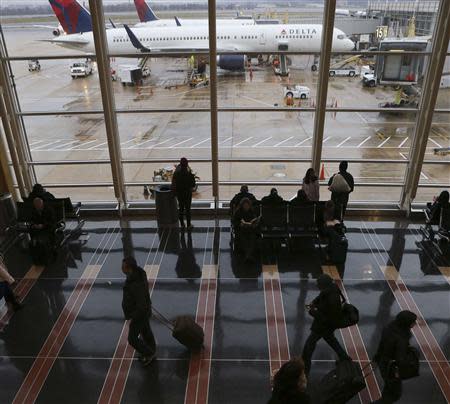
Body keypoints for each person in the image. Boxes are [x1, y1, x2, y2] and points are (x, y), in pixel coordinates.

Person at [302, 274, 351, 375]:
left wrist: (312, 311)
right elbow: (321, 296)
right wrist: (314, 303)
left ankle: (304, 368)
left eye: (319, 285)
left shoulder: (332, 300)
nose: (317, 286)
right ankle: (345, 358)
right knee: (331, 340)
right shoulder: (331, 288)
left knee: (309, 346)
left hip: (322, 326)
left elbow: (325, 318)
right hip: (328, 326)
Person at [372, 310, 417, 404]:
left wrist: (377, 356)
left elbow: (382, 344)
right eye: (413, 321)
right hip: (392, 368)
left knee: (389, 389)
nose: (414, 323)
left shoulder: (389, 328)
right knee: (395, 394)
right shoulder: (401, 339)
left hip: (383, 363)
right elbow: (400, 359)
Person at [122, 256, 156, 366]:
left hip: (140, 314)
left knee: (132, 339)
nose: (121, 268)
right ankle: (152, 349)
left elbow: (141, 305)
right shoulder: (138, 275)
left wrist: (132, 316)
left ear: (129, 268)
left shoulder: (135, 284)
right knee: (146, 331)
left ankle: (148, 353)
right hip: (144, 312)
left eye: (123, 267)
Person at [30, 197, 57, 265]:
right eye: (36, 206)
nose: (37, 207)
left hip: (48, 228)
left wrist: (43, 225)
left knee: (42, 240)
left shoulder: (49, 210)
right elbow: (32, 220)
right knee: (34, 241)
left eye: (39, 206)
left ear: (42, 204)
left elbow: (52, 222)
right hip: (38, 229)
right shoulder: (34, 211)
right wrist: (34, 225)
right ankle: (37, 252)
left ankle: (45, 253)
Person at [232, 197, 260, 262]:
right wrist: (240, 224)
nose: (246, 207)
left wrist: (254, 223)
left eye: (247, 205)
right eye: (245, 205)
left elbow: (254, 219)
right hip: (241, 229)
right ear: (242, 205)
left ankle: (247, 255)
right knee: (244, 238)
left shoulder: (252, 211)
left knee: (252, 238)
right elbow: (235, 221)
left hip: (250, 229)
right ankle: (248, 255)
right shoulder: (238, 212)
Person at [172, 157, 196, 229]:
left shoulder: (176, 174)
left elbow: (174, 183)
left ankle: (182, 224)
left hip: (180, 193)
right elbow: (193, 185)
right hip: (187, 194)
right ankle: (189, 225)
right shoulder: (189, 174)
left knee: (181, 208)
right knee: (188, 209)